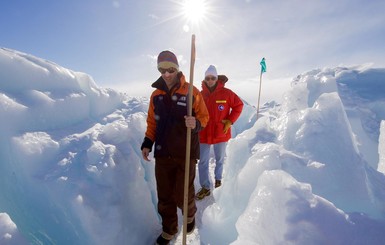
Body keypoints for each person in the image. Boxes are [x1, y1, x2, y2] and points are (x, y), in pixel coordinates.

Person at [141, 50, 209, 245]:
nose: (167, 74)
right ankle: (169, 230)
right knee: (165, 195)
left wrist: (195, 123)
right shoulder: (156, 95)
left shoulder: (191, 91)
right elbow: (152, 123)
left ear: (177, 69)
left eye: (170, 69)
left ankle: (189, 216)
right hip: (163, 153)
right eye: (162, 69)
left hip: (185, 152)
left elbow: (204, 118)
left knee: (182, 193)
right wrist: (148, 142)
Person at [195, 65, 244, 200]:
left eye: (212, 78)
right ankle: (205, 187)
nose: (210, 80)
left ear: (216, 79)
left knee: (220, 160)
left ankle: (218, 182)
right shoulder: (200, 95)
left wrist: (230, 120)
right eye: (207, 78)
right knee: (203, 162)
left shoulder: (227, 93)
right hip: (204, 133)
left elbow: (238, 105)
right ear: (204, 79)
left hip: (220, 132)